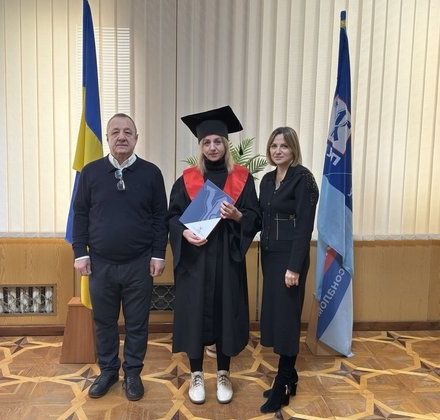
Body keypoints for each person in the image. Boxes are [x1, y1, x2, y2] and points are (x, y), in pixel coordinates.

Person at [71, 113, 168, 401]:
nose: (121, 137)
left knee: (137, 324)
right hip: (100, 264)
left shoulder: (151, 173)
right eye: (115, 132)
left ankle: (133, 373)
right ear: (108, 138)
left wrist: (158, 254)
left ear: (136, 138)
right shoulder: (90, 173)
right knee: (104, 323)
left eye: (127, 132)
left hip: (139, 264)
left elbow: (160, 218)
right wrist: (80, 252)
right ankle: (109, 371)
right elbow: (80, 214)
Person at [168, 105, 260, 405]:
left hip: (227, 259)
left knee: (225, 314)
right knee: (194, 314)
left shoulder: (242, 179)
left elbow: (255, 217)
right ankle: (196, 374)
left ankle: (223, 374)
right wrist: (184, 234)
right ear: (200, 146)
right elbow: (172, 217)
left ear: (226, 144)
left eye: (217, 141)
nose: (212, 147)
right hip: (195, 259)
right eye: (206, 142)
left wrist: (237, 216)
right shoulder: (187, 179)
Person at [258, 126, 319, 413]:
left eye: (284, 146)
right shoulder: (267, 180)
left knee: (287, 321)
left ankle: (282, 384)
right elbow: (260, 218)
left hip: (290, 260)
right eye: (274, 146)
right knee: (275, 317)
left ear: (294, 149)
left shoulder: (303, 179)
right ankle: (291, 376)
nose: (278, 150)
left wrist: (294, 267)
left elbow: (304, 227)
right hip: (270, 258)